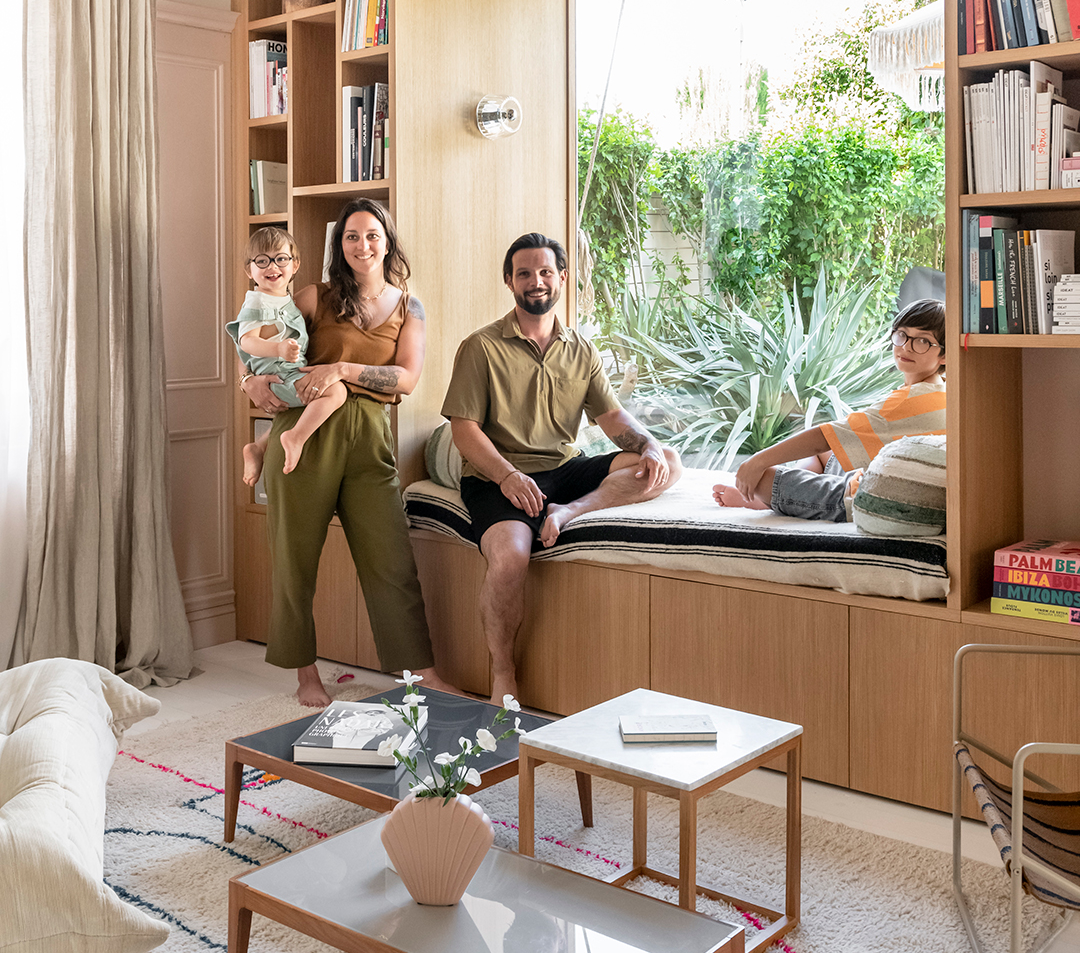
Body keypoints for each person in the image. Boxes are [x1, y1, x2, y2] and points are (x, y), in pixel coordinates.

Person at [442, 232, 682, 705]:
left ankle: (568, 512)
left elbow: (613, 419)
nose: (536, 281)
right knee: (511, 557)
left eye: (546, 272)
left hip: (564, 472)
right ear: (509, 280)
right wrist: (507, 476)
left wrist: (648, 444)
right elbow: (464, 431)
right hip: (498, 475)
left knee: (666, 463)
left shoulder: (582, 349)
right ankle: (504, 676)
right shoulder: (480, 347)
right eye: (525, 273)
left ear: (563, 279)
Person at [243, 198, 455, 709]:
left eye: (372, 235)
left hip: (370, 442)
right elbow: (267, 342)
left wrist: (340, 369)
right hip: (306, 437)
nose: (363, 245)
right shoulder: (314, 296)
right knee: (295, 561)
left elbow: (406, 377)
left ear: (388, 242)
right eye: (351, 237)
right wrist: (251, 380)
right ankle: (306, 674)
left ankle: (422, 674)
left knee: (392, 563)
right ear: (340, 247)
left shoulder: (410, 306)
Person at [712, 298, 946, 521]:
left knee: (763, 477)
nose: (906, 347)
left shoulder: (911, 400)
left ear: (944, 355)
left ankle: (765, 500)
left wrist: (757, 461)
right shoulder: (940, 391)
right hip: (871, 478)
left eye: (923, 341)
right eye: (902, 335)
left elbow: (822, 437)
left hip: (859, 498)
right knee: (821, 455)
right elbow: (832, 440)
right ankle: (778, 499)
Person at [226, 227, 348, 486]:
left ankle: (259, 447)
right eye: (262, 261)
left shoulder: (283, 299)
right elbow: (246, 341)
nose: (273, 266)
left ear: (295, 265)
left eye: (281, 259)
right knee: (336, 392)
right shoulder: (258, 302)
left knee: (308, 402)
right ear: (249, 271)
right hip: (278, 376)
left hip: (288, 371)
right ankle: (295, 438)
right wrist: (277, 349)